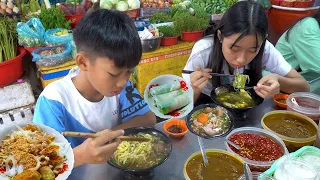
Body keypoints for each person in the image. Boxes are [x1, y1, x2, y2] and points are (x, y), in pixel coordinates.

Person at [33, 10, 157, 167]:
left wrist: (111, 134)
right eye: (114, 74)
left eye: (129, 72)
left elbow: (148, 119)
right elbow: (40, 165)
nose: (122, 82)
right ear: (83, 62)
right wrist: (80, 156)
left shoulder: (122, 87)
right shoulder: (53, 101)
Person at [182, 1, 309, 104]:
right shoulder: (203, 52)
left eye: (253, 50)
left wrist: (278, 80)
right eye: (234, 48)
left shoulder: (265, 48)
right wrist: (195, 89)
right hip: (206, 104)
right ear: (220, 36)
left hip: (246, 109)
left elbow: (304, 87)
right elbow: (181, 108)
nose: (242, 60)